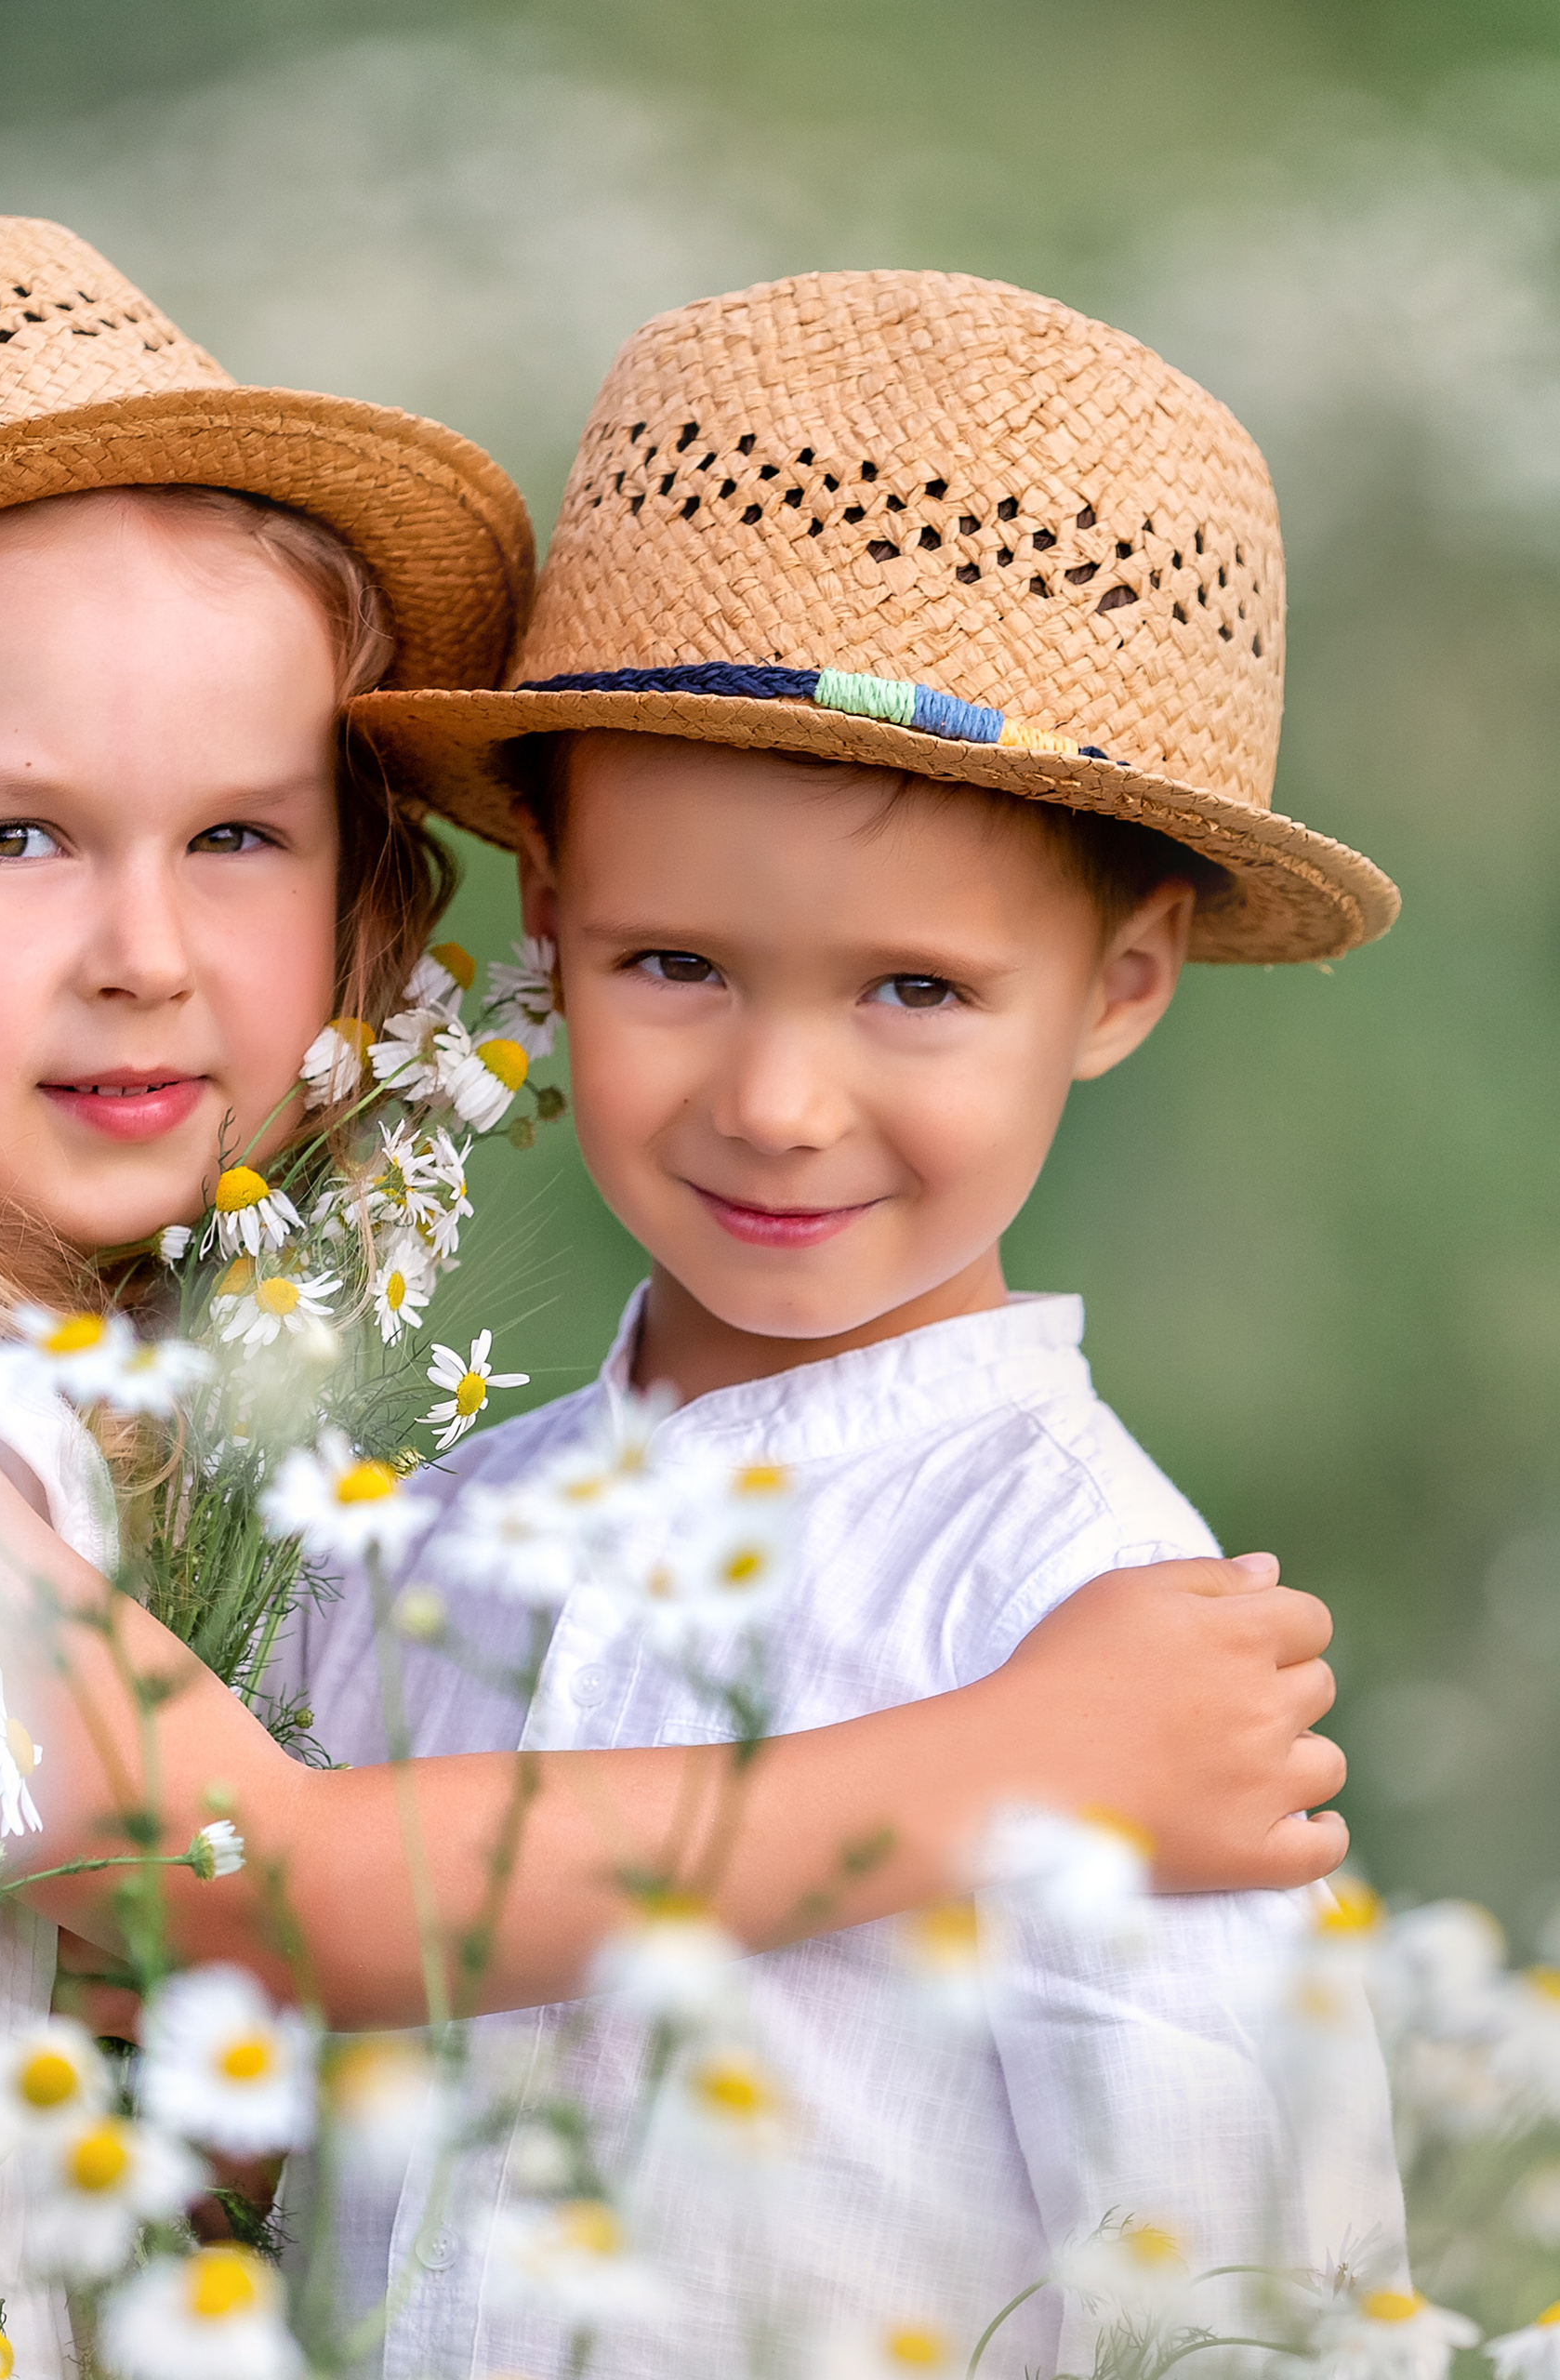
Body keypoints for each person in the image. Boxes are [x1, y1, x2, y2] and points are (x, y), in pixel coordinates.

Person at [0, 228, 1350, 2368]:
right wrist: (1014, 1762)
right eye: (13, 836)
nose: (144, 949)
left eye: (238, 836)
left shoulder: (93, 1424)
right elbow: (233, 1882)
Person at [305, 268, 1410, 2376]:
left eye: (912, 988)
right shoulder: (411, 1551)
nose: (776, 1103)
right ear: (544, 904)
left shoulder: (1103, 1637)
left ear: (1118, 980)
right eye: (673, 967)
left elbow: (1256, 2307)